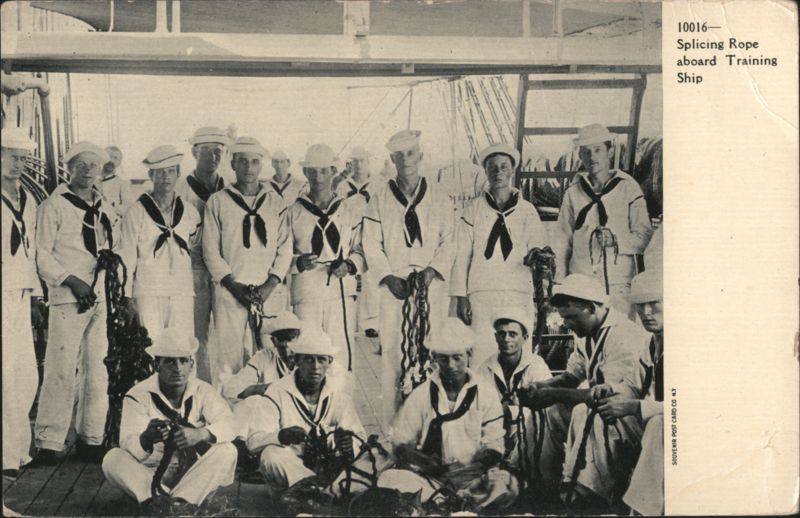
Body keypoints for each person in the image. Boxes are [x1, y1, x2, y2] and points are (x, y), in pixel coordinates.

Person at [516, 273, 648, 506]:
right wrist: (540, 387)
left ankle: (586, 494)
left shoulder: (623, 335)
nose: (567, 324)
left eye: (572, 318)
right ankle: (542, 485)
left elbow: (609, 397)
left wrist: (552, 394)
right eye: (565, 318)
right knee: (550, 411)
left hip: (631, 417)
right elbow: (571, 377)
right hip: (604, 410)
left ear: (592, 307)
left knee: (584, 413)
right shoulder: (586, 334)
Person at [362, 129, 455, 428]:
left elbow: (450, 241)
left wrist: (430, 271)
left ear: (421, 156)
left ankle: (431, 426)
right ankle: (394, 430)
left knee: (431, 351)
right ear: (391, 159)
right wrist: (388, 277)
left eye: (411, 154)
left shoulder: (440, 197)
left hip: (432, 287)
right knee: (393, 357)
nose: (406, 160)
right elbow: (371, 243)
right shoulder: (378, 199)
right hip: (395, 287)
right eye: (399, 155)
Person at [378, 318, 517, 510]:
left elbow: (494, 443)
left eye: (457, 357)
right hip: (431, 479)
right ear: (435, 358)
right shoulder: (422, 395)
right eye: (444, 358)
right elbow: (400, 443)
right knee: (389, 478)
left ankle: (450, 504)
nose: (451, 365)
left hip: (472, 478)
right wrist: (425, 462)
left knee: (506, 484)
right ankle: (453, 504)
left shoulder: (485, 393)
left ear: (469, 354)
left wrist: (473, 468)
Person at [33, 141, 114, 464]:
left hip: (100, 296)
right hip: (68, 298)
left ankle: (90, 436)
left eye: (94, 166)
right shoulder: (54, 206)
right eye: (82, 165)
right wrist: (71, 280)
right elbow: (41, 253)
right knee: (61, 368)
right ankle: (49, 441)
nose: (88, 171)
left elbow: (111, 243)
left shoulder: (104, 206)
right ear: (70, 169)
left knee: (98, 367)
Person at [101, 329, 237, 509]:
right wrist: (145, 440)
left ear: (191, 365)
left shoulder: (203, 391)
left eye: (183, 360)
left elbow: (231, 425)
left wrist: (201, 434)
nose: (178, 368)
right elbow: (128, 445)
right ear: (156, 365)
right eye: (170, 361)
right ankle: (171, 502)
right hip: (150, 474)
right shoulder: (138, 396)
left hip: (195, 475)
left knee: (228, 450)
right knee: (113, 458)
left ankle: (174, 504)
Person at [203, 136, 292, 387]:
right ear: (233, 165)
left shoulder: (275, 202)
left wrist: (269, 285)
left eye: (254, 162)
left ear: (261, 165)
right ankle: (229, 416)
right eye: (243, 162)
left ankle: (269, 412)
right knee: (228, 358)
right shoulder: (218, 202)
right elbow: (210, 250)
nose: (249, 168)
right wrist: (233, 286)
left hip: (267, 293)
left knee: (270, 355)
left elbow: (285, 248)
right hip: (231, 291)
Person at [451, 143, 549, 366]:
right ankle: (482, 400)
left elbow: (539, 246)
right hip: (481, 293)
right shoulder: (473, 210)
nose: (498, 172)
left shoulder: (527, 211)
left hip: (518, 292)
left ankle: (516, 400)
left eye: (504, 167)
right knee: (481, 356)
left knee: (518, 355)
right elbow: (462, 255)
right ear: (485, 171)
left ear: (511, 171)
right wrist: (461, 296)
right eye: (492, 167)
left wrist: (537, 257)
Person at [246, 328, 366, 498]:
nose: (315, 367)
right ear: (296, 361)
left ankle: (320, 496)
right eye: (309, 359)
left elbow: (360, 435)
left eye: (321, 360)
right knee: (270, 454)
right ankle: (318, 492)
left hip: (329, 469)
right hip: (291, 476)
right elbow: (252, 441)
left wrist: (349, 443)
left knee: (375, 454)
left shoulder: (338, 395)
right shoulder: (277, 392)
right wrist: (281, 436)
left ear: (329, 362)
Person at [284, 144, 364, 392]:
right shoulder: (293, 212)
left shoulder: (349, 210)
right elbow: (281, 255)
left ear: (333, 172)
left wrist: (350, 265)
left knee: (339, 356)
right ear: (305, 173)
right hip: (307, 293)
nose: (317, 177)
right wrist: (298, 262)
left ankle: (342, 414)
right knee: (307, 353)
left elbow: (361, 249)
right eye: (312, 171)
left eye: (323, 171)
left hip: (340, 293)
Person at [554, 124, 653, 318]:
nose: (592, 157)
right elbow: (562, 240)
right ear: (580, 156)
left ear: (610, 151)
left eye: (598, 150)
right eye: (586, 152)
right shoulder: (573, 193)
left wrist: (616, 242)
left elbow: (645, 236)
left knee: (619, 335)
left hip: (619, 284)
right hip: (582, 280)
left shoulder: (628, 189)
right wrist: (560, 283)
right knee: (584, 338)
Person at [592, 270, 664, 515]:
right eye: (640, 306)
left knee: (658, 424)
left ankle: (642, 509)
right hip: (653, 419)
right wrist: (612, 389)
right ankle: (599, 493)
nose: (645, 313)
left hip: (682, 427)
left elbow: (685, 404)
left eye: (654, 304)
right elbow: (634, 385)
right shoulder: (651, 343)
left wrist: (633, 407)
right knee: (598, 410)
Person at [117, 145, 202, 341]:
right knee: (150, 346)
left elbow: (195, 249)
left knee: (182, 345)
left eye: (170, 171)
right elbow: (127, 257)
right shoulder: (136, 212)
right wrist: (127, 296)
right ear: (151, 175)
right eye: (159, 172)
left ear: (178, 173)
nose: (165, 177)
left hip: (181, 290)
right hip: (148, 290)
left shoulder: (189, 212)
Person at [1, 128, 43, 477]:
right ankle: (5, 456)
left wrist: (36, 295)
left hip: (20, 292)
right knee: (4, 374)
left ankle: (17, 450)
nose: (19, 164)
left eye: (23, 158)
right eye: (13, 157)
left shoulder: (26, 197)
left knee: (25, 375)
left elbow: (30, 251)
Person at [173, 126, 229, 382]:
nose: (214, 157)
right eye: (207, 152)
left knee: (230, 335)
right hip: (193, 271)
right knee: (197, 337)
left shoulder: (229, 189)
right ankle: (200, 390)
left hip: (227, 272)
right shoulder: (180, 190)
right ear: (194, 152)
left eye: (218, 152)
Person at [476, 307, 552, 470]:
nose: (506, 339)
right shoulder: (485, 368)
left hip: (528, 431)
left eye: (512, 334)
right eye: (501, 334)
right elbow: (478, 405)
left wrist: (510, 410)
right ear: (495, 337)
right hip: (495, 429)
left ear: (524, 338)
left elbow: (546, 407)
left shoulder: (536, 365)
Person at [336, 145, 380, 338]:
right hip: (349, 232)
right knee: (349, 273)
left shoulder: (378, 185)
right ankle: (349, 320)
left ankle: (370, 322)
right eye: (355, 161)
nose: (359, 165)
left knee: (371, 277)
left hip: (371, 231)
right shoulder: (343, 186)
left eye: (362, 161)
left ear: (369, 162)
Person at [98, 144, 133, 231]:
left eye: (115, 158)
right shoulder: (92, 179)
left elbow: (127, 207)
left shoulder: (123, 182)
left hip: (113, 224)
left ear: (119, 162)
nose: (111, 160)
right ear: (101, 157)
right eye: (108, 156)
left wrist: (109, 207)